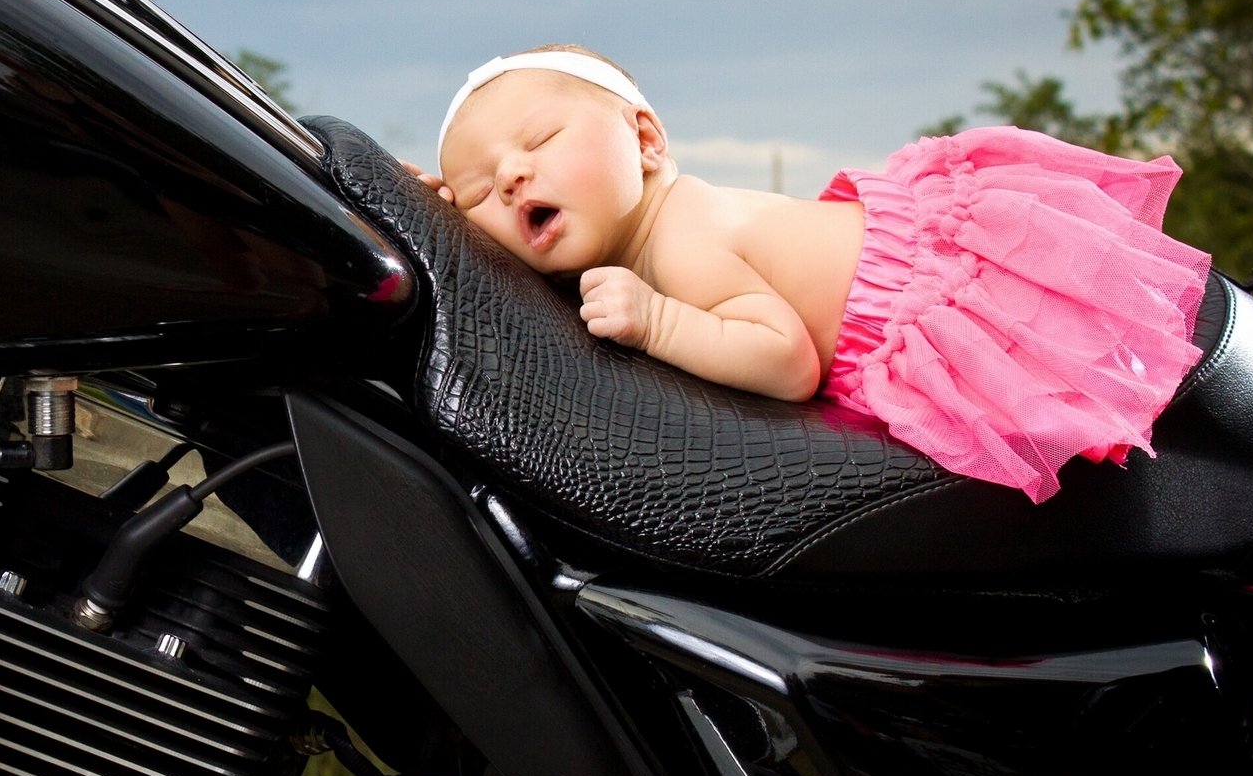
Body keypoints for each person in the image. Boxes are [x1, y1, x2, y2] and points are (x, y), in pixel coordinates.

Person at [407, 45, 1211, 503]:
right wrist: (441, 215)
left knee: (1097, 411)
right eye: (478, 189)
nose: (510, 177)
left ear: (645, 140)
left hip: (938, 296)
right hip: (907, 283)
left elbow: (787, 360)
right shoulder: (640, 241)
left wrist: (659, 321)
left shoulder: (681, 241)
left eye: (540, 139)